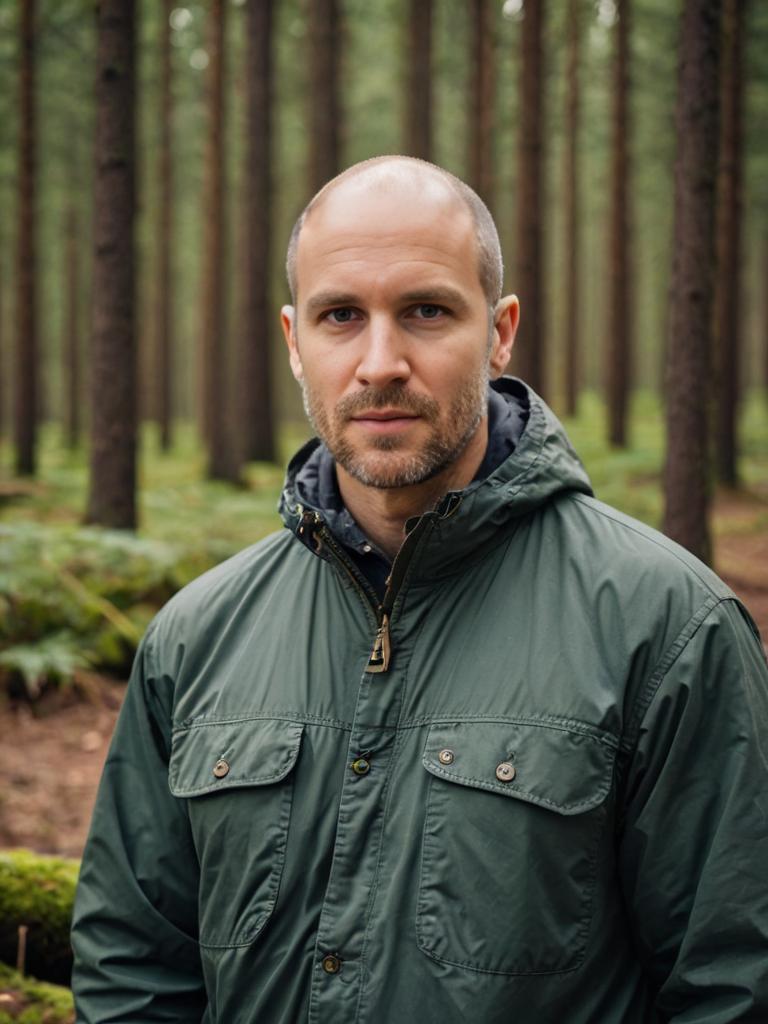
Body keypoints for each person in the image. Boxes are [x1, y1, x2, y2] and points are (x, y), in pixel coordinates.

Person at [71, 156, 768, 1023]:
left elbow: (733, 987)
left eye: (426, 311)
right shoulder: (196, 637)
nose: (379, 362)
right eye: (340, 317)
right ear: (294, 341)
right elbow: (134, 968)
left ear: (501, 330)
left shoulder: (667, 628)